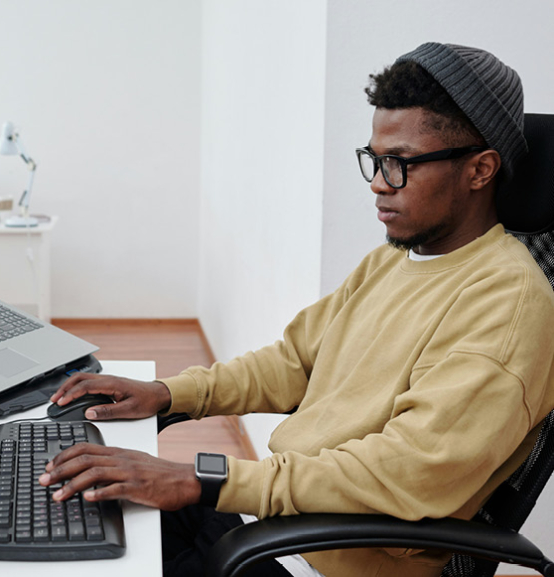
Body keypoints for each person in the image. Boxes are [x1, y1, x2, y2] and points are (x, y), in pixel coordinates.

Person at [41, 42, 554, 577]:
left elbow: (403, 474)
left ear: (480, 170)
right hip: (271, 525)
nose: (379, 183)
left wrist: (202, 479)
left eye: (400, 163)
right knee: (70, 514)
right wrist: (171, 393)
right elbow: (294, 362)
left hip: (326, 560)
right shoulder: (393, 261)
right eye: (374, 160)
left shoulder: (507, 305)